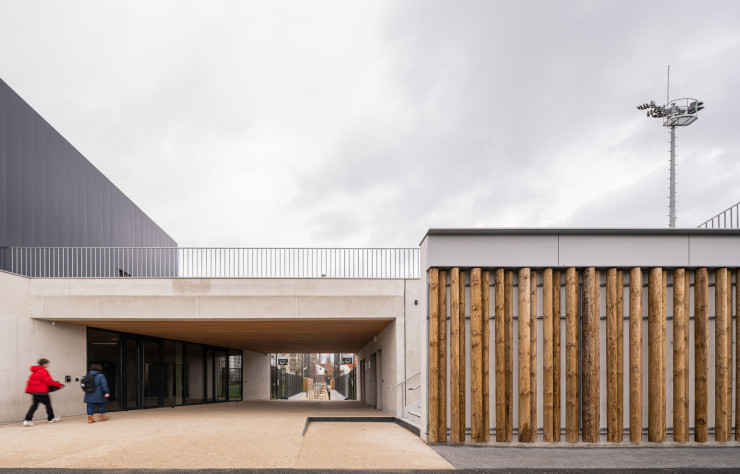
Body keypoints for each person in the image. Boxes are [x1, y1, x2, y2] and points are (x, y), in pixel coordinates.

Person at [23, 358, 64, 426]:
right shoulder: (43, 371)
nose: (48, 365)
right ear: (44, 364)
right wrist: (59, 385)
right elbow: (49, 381)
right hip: (42, 392)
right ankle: (51, 418)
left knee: (34, 406)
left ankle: (27, 420)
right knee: (48, 406)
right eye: (47, 363)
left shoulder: (35, 371)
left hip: (35, 392)